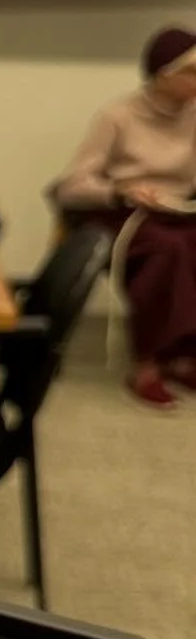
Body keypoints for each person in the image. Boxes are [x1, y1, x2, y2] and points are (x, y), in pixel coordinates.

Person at [54, 24, 196, 409]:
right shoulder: (117, 115)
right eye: (192, 72)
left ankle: (184, 356)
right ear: (163, 74)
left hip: (178, 211)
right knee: (167, 250)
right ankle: (148, 362)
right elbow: (73, 184)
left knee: (187, 242)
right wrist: (121, 190)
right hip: (123, 212)